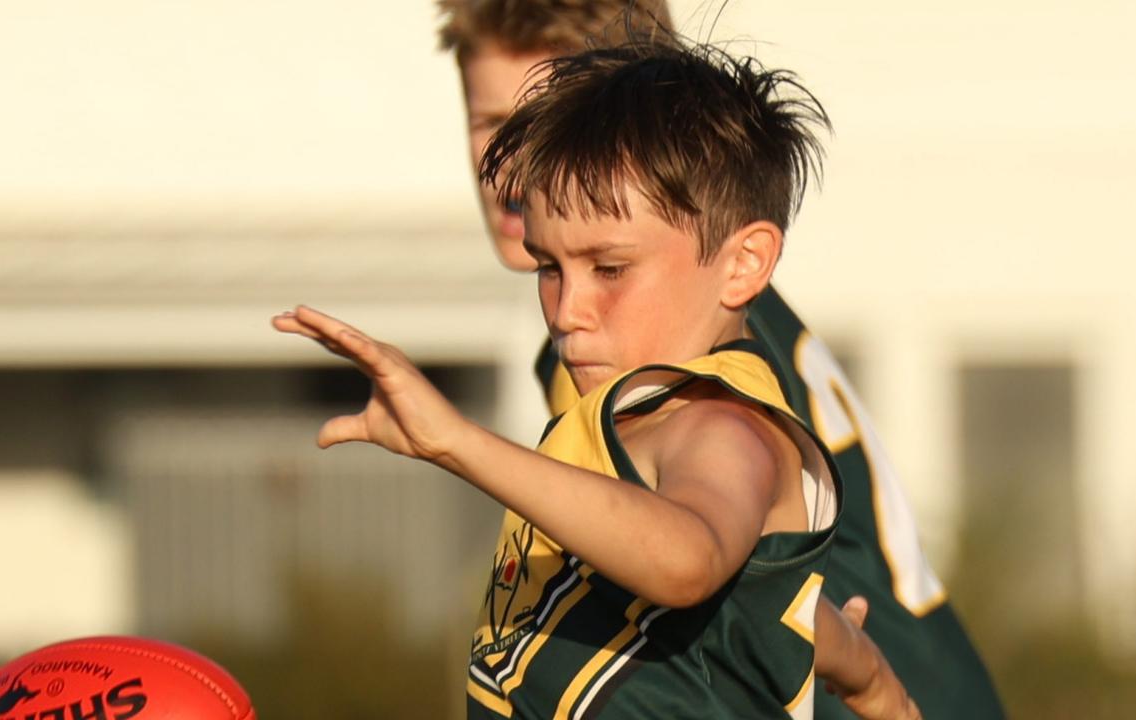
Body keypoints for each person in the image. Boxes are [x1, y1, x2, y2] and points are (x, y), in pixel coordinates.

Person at [276, 38, 918, 719]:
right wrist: (873, 682)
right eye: (549, 267)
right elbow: (789, 617)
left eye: (609, 269)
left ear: (743, 263)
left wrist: (457, 442)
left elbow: (686, 560)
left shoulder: (720, 426)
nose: (567, 308)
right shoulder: (626, 423)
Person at [437, 2, 1004, 717]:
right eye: (495, 125)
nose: (519, 169)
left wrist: (453, 441)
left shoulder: (680, 348)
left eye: (557, 120)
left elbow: (717, 578)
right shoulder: (654, 307)